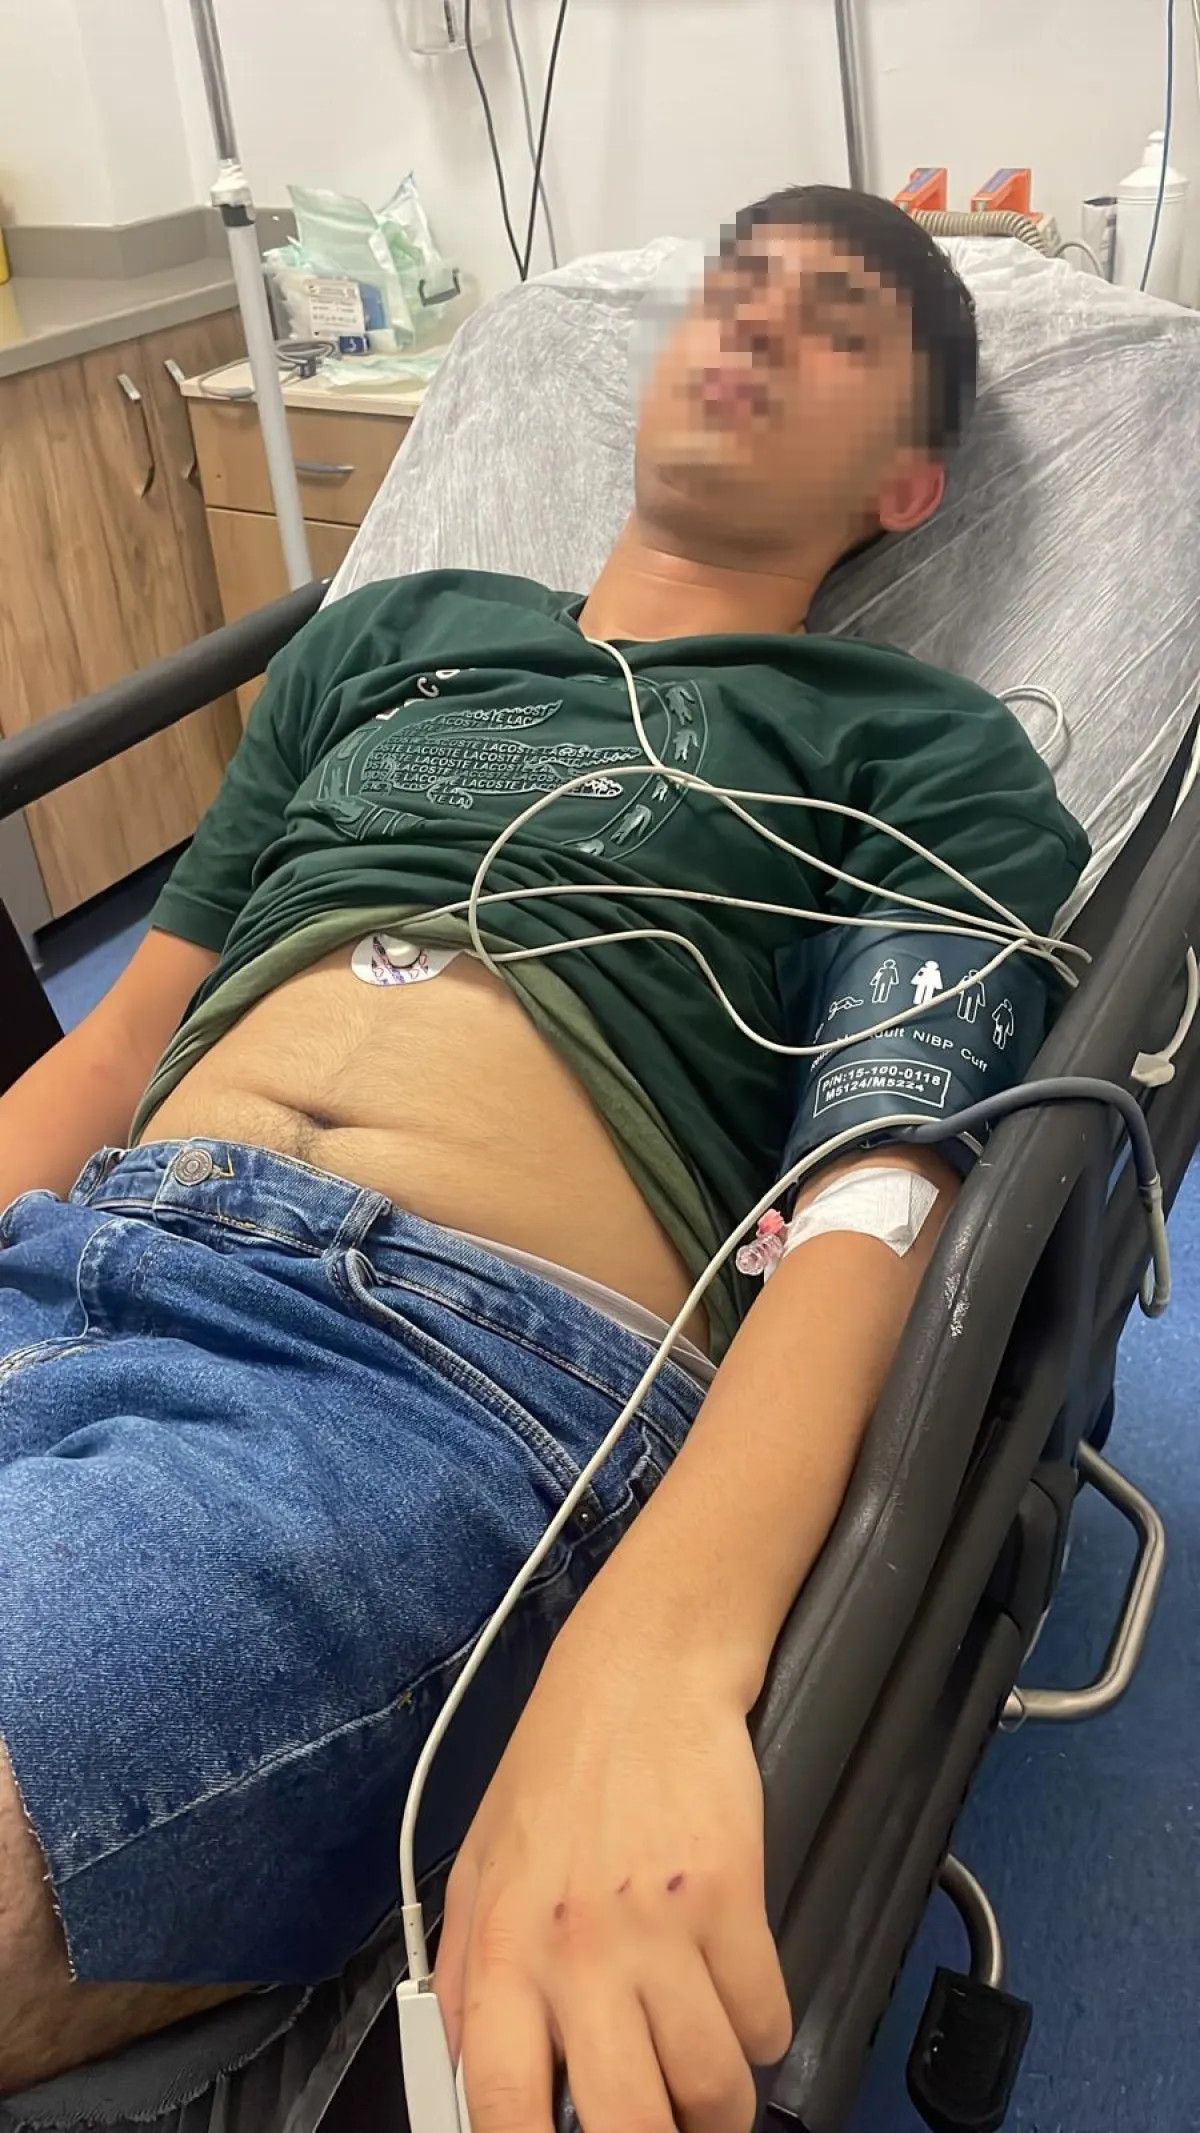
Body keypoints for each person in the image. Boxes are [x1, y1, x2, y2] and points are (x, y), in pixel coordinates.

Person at [0, 184, 1089, 2127]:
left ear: (906, 487)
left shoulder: (925, 748)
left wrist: (657, 1645)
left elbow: (876, 1193)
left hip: (416, 1379)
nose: (752, 327)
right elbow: (123, 1035)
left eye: (834, 323)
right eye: (733, 291)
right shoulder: (388, 641)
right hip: (83, 1247)